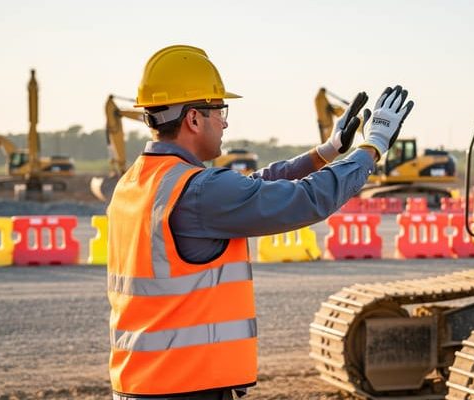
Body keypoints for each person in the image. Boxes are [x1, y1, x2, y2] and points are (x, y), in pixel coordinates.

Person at [105, 45, 413, 400]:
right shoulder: (198, 190)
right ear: (193, 118)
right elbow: (307, 199)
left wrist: (326, 152)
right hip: (186, 387)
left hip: (142, 382)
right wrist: (371, 147)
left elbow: (251, 186)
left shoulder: (137, 182)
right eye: (219, 110)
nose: (225, 122)